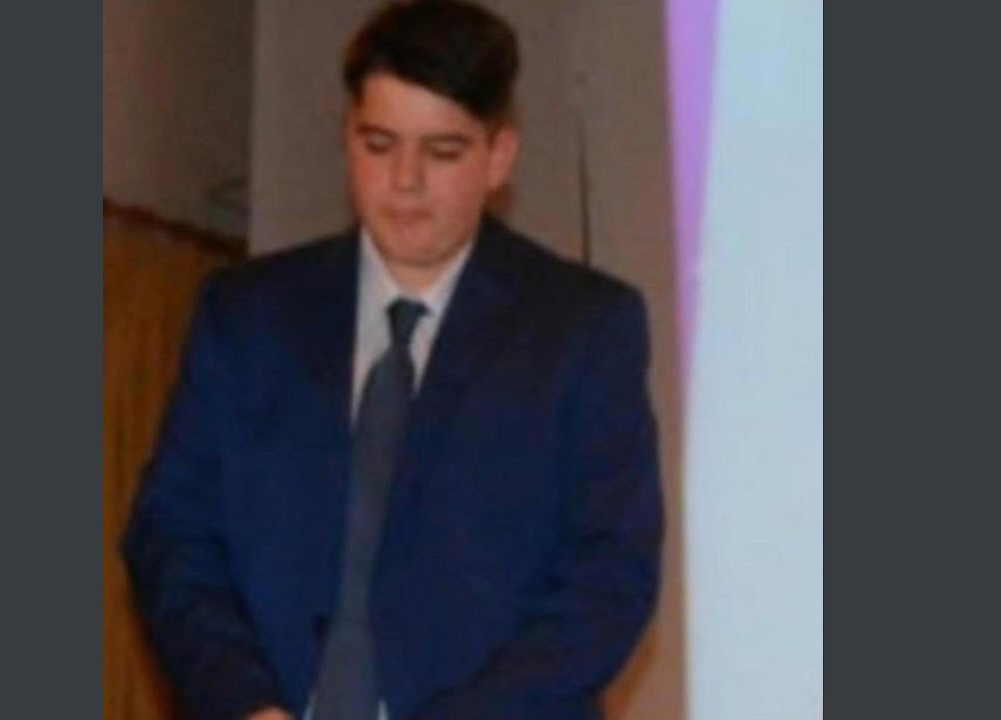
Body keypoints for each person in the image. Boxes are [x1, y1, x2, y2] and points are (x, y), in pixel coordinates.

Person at [121, 2, 663, 719]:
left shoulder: (581, 330)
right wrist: (242, 700)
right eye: (379, 144)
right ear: (347, 136)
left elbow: (609, 577)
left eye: (442, 152)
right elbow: (172, 535)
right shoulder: (247, 316)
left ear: (500, 156)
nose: (404, 180)